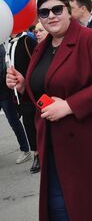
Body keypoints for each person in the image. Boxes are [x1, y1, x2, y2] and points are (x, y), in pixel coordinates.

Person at [6, 0, 92, 220]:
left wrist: (69, 106)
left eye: (57, 9)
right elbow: (43, 91)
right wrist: (25, 86)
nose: (51, 16)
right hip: (54, 148)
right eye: (44, 13)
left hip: (91, 145)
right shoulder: (41, 49)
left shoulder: (91, 39)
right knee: (61, 211)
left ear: (68, 11)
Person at [6, 31, 39, 173]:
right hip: (18, 93)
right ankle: (36, 154)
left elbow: (37, 62)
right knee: (28, 123)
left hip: (32, 89)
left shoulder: (27, 40)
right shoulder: (7, 44)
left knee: (37, 121)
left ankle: (42, 153)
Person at [1, 44, 32, 165]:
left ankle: (25, 150)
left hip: (4, 93)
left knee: (14, 121)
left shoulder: (1, 47)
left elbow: (2, 71)